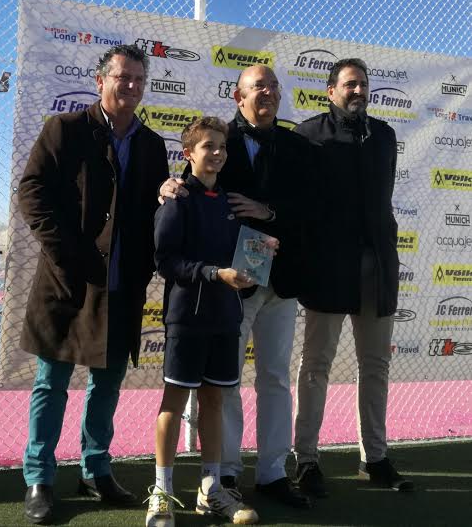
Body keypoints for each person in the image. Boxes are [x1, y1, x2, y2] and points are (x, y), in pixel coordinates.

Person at [18, 44, 169, 524]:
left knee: (107, 384)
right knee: (51, 382)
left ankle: (95, 469)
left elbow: (152, 214)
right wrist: (66, 254)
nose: (131, 86)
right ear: (101, 79)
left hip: (124, 285)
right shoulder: (64, 129)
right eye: (122, 77)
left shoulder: (150, 145)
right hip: (67, 282)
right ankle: (39, 477)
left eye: (138, 80)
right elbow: (32, 193)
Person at [160, 65, 312, 509]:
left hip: (282, 280)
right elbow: (193, 181)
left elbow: (312, 206)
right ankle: (222, 472)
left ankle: (272, 473)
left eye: (273, 86)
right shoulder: (220, 143)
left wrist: (269, 212)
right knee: (223, 384)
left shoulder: (298, 145)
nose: (268, 93)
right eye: (257, 87)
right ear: (238, 97)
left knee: (275, 377)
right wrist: (168, 185)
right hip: (231, 284)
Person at [293, 58, 414, 496]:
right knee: (316, 367)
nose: (357, 91)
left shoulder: (383, 135)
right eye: (349, 85)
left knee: (376, 366)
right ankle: (306, 460)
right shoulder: (308, 135)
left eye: (363, 84)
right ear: (330, 91)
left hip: (377, 268)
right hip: (328, 269)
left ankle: (375, 458)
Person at [147, 116, 259, 527]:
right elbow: (166, 261)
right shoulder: (176, 200)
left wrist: (260, 252)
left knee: (215, 401)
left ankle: (210, 489)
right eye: (208, 146)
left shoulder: (229, 203)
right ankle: (162, 492)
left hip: (225, 318)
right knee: (173, 405)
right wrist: (214, 274)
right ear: (188, 153)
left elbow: (237, 258)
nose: (217, 153)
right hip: (187, 320)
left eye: (222, 147)